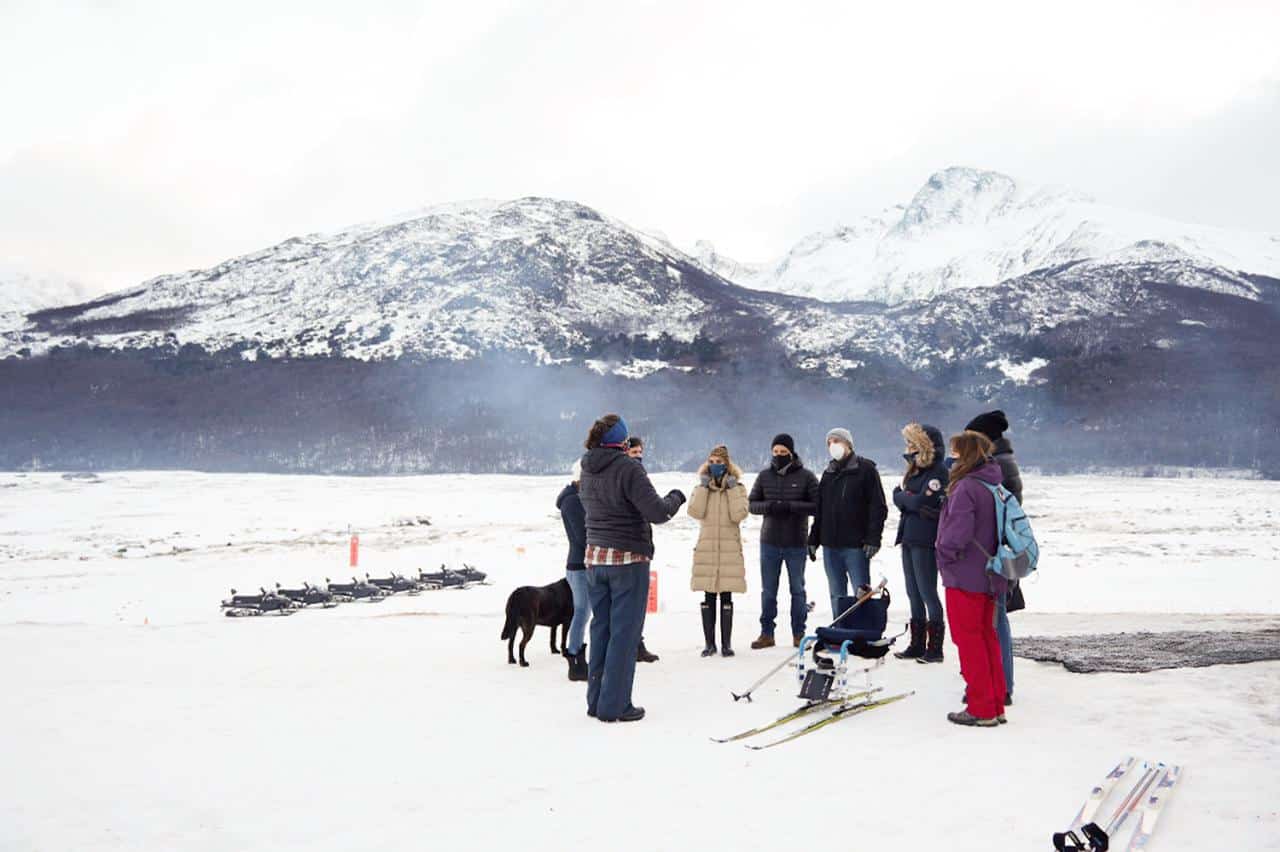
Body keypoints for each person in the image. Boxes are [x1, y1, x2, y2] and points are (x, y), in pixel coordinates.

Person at [578, 414, 685, 723]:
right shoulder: (628, 468)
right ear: (622, 442)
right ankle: (615, 706)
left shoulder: (587, 466)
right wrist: (675, 497)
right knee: (624, 635)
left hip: (595, 559)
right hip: (628, 561)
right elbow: (657, 512)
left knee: (601, 629)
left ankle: (596, 700)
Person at [935, 430, 1008, 727]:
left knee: (968, 641)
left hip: (965, 575)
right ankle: (995, 702)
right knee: (987, 637)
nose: (950, 458)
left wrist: (943, 552)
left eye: (955, 452)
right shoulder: (994, 484)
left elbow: (957, 534)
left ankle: (981, 708)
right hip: (991, 574)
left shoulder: (966, 487)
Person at [965, 410, 1023, 704]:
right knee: (991, 620)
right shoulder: (999, 462)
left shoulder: (998, 466)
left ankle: (1003, 686)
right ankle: (997, 683)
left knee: (994, 620)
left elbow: (997, 513)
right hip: (994, 551)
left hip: (994, 554)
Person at [807, 427, 887, 619]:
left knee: (861, 592)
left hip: (856, 546)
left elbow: (878, 507)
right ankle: (840, 629)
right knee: (837, 594)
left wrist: (873, 538)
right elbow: (821, 510)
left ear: (848, 444)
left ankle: (862, 632)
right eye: (829, 442)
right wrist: (813, 539)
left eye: (836, 441)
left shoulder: (866, 470)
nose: (832, 445)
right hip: (830, 545)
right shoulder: (828, 473)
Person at [747, 433, 818, 649]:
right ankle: (766, 633)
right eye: (775, 452)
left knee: (797, 589)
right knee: (768, 590)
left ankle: (799, 633)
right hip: (769, 542)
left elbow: (817, 506)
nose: (779, 455)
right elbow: (751, 504)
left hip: (796, 542)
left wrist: (791, 507)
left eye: (783, 452)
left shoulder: (806, 476)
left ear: (791, 452)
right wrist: (769, 506)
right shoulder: (764, 476)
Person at [892, 423, 948, 663]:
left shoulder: (938, 471)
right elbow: (911, 501)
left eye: (913, 443)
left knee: (927, 591)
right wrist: (907, 499)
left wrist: (902, 497)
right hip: (908, 537)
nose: (909, 447)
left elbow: (915, 502)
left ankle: (935, 647)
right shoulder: (915, 470)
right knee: (912, 592)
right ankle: (916, 643)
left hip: (925, 539)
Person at [688, 445, 749, 657]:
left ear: (727, 464)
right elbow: (694, 511)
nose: (715, 466)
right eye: (712, 462)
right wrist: (704, 488)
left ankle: (726, 644)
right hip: (707, 547)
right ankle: (709, 643)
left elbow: (739, 514)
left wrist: (732, 490)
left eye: (719, 462)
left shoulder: (738, 488)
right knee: (708, 594)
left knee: (726, 594)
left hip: (729, 548)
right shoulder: (700, 488)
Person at [624, 435, 659, 664]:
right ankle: (632, 645)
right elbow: (652, 509)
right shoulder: (629, 475)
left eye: (639, 453)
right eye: (633, 453)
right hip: (630, 544)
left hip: (640, 541)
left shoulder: (640, 475)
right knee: (631, 601)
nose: (637, 457)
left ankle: (636, 643)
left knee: (636, 601)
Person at [556, 461, 590, 682]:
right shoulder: (573, 502)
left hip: (579, 563)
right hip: (580, 565)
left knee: (583, 612)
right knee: (581, 612)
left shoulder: (574, 499)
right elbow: (582, 536)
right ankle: (575, 657)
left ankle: (577, 656)